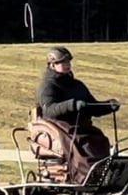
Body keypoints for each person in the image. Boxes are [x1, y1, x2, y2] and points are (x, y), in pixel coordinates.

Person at [35, 46, 120, 183]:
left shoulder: (77, 85)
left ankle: (103, 175)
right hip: (62, 129)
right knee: (83, 146)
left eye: (68, 61)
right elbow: (49, 110)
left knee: (101, 140)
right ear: (52, 65)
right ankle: (85, 178)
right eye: (62, 62)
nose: (67, 65)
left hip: (82, 128)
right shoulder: (48, 86)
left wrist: (108, 106)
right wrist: (72, 105)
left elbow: (92, 107)